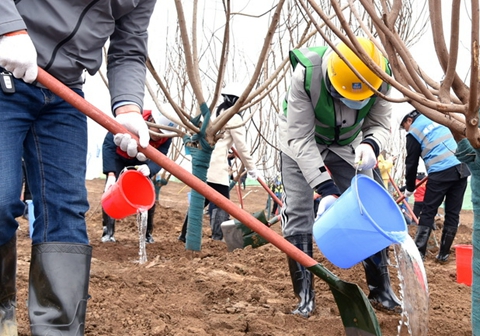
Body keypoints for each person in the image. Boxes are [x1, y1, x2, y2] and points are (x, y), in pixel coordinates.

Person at [0, 0, 217, 333]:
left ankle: (58, 329)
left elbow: (128, 50)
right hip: (6, 72)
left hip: (63, 93)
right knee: (2, 200)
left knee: (65, 210)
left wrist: (129, 109)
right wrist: (8, 30)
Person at [278, 37, 401, 317]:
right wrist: (325, 189)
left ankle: (381, 290)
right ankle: (305, 297)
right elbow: (299, 138)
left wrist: (371, 144)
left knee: (368, 207)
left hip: (349, 144)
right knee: (298, 211)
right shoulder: (306, 75)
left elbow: (381, 123)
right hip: (301, 142)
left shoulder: (379, 75)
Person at [179, 84, 262, 242]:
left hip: (203, 165)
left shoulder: (212, 113)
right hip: (216, 169)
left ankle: (184, 236)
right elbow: (241, 146)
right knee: (222, 203)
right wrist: (251, 168)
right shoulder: (234, 117)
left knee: (199, 201)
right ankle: (219, 238)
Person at [401, 109, 471, 262]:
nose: (406, 129)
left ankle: (419, 254)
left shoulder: (413, 132)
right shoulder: (436, 117)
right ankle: (443, 255)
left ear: (408, 120)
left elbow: (411, 163)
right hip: (461, 168)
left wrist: (409, 188)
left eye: (404, 126)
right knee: (453, 213)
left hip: (440, 172)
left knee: (428, 212)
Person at [101, 110, 174, 244]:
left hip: (142, 160)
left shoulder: (167, 138)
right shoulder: (132, 120)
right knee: (111, 191)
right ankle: (108, 232)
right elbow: (108, 145)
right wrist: (111, 174)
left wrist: (150, 169)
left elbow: (161, 157)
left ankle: (146, 235)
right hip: (119, 156)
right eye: (157, 130)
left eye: (163, 133)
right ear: (151, 120)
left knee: (147, 194)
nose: (158, 136)